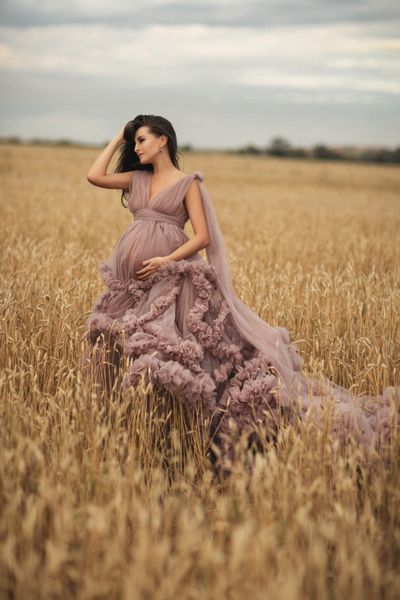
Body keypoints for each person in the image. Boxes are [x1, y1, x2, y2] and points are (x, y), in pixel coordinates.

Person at [80, 114, 399, 468]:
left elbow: (203, 237)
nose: (137, 147)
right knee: (125, 346)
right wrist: (119, 138)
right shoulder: (137, 178)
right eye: (134, 141)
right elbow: (94, 176)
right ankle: (141, 431)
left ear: (163, 140)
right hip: (133, 282)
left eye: (141, 140)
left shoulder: (188, 184)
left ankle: (191, 436)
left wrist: (166, 260)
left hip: (172, 277)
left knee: (172, 353)